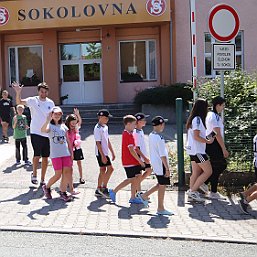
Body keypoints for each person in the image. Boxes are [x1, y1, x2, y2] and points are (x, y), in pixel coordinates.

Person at [12, 82, 55, 185]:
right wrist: (18, 92)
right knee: (37, 155)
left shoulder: (50, 103)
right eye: (41, 91)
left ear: (47, 92)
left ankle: (43, 179)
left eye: (45, 92)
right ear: (38, 91)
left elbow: (53, 117)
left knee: (45, 157)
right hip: (35, 132)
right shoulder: (33, 100)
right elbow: (19, 102)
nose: (43, 93)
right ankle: (34, 174)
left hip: (47, 132)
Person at [137, 116, 174, 216]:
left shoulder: (151, 135)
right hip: (161, 164)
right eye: (163, 124)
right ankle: (160, 208)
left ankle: (145, 196)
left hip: (156, 163)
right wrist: (167, 168)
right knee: (162, 185)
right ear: (161, 124)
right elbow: (163, 155)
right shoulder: (159, 138)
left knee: (160, 183)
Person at [109, 115, 145, 204]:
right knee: (131, 179)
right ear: (128, 124)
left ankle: (133, 197)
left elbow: (135, 148)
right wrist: (140, 160)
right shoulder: (126, 134)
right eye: (134, 124)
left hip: (134, 161)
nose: (135, 126)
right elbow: (131, 150)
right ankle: (114, 191)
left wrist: (143, 158)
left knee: (137, 177)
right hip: (129, 161)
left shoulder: (131, 133)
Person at [41, 106, 73, 202]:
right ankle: (46, 187)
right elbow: (43, 130)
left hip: (65, 153)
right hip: (55, 154)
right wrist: (47, 120)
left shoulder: (63, 126)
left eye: (59, 114)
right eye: (55, 114)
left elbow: (68, 140)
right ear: (52, 115)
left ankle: (63, 192)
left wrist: (71, 152)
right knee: (58, 174)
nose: (57, 115)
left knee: (66, 173)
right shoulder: (50, 126)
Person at [185, 98, 213, 202]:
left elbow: (197, 135)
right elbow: (196, 136)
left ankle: (192, 193)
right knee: (208, 171)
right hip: (198, 151)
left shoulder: (196, 119)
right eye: (206, 107)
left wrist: (207, 138)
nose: (207, 109)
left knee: (196, 172)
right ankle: (193, 191)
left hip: (194, 151)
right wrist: (208, 141)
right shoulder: (197, 119)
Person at [202, 96, 229, 199]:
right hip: (214, 145)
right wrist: (223, 148)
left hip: (212, 143)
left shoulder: (211, 115)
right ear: (218, 105)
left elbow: (211, 133)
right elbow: (216, 133)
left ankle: (212, 189)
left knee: (215, 166)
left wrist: (209, 139)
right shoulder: (214, 116)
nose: (223, 108)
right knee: (221, 165)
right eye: (223, 106)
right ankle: (205, 184)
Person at [94, 109, 115, 198]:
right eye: (106, 118)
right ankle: (103, 188)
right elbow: (98, 143)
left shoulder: (105, 127)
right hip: (100, 153)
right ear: (101, 117)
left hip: (105, 152)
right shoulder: (97, 128)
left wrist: (112, 152)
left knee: (103, 170)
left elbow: (107, 140)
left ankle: (98, 189)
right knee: (110, 169)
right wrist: (102, 156)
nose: (107, 119)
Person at [133, 113, 152, 194]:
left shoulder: (141, 130)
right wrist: (144, 158)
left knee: (149, 170)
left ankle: (136, 186)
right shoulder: (135, 132)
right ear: (138, 122)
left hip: (143, 156)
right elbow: (136, 148)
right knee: (139, 174)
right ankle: (138, 191)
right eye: (143, 120)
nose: (145, 121)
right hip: (139, 157)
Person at [65, 108, 85, 185]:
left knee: (79, 162)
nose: (74, 124)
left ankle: (81, 177)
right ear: (69, 122)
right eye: (72, 122)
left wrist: (77, 114)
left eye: (75, 122)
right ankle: (69, 179)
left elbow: (80, 122)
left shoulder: (76, 128)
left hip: (77, 148)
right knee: (70, 165)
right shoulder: (66, 129)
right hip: (69, 149)